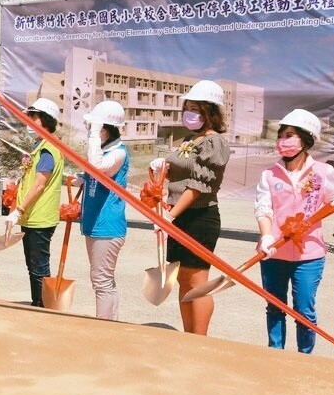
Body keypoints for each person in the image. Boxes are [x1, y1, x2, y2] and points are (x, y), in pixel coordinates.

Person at [254, 109, 334, 353]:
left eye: (290, 135)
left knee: (304, 311)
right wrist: (266, 236)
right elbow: (264, 209)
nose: (283, 141)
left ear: (306, 140)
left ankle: (305, 359)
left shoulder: (323, 171)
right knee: (275, 307)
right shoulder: (269, 175)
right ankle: (275, 354)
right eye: (281, 135)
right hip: (274, 252)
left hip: (310, 255)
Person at [149, 79, 232, 335]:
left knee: (197, 282)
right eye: (188, 107)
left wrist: (169, 216)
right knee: (183, 280)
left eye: (197, 109)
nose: (190, 113)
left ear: (211, 113)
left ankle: (200, 338)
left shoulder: (214, 142)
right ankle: (188, 336)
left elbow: (198, 186)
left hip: (199, 217)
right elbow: (180, 173)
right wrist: (162, 168)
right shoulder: (190, 139)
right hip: (177, 216)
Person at [6, 98, 64, 306]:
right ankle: (38, 303)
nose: (29, 121)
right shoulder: (39, 147)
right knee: (33, 266)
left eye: (34, 117)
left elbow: (39, 184)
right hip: (32, 216)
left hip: (40, 217)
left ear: (46, 120)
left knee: (39, 267)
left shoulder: (48, 150)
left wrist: (19, 209)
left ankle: (43, 306)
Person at [76, 101, 130, 320]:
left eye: (96, 128)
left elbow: (98, 167)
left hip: (107, 227)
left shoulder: (118, 153)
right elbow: (94, 174)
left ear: (106, 128)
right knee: (103, 280)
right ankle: (110, 323)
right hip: (95, 224)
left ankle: (103, 328)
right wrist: (81, 179)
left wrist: (94, 135)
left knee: (101, 281)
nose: (91, 131)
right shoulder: (106, 151)